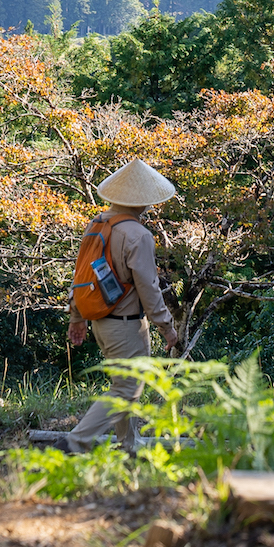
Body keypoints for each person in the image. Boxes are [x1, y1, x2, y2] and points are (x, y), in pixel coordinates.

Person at [63, 158, 183, 453]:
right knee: (127, 388)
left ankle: (128, 443)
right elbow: (148, 287)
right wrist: (166, 326)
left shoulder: (97, 225)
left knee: (123, 383)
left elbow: (81, 273)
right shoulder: (138, 235)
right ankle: (77, 440)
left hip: (100, 322)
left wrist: (76, 316)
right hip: (126, 324)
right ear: (143, 201)